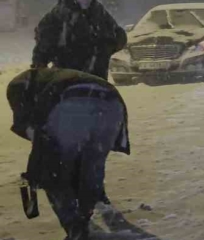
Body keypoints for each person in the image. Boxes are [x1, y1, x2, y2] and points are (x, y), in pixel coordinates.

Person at [7, 67, 130, 240]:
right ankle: (86, 216)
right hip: (112, 103)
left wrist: (38, 169)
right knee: (91, 167)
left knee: (53, 174)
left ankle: (76, 229)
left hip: (72, 103)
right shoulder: (51, 78)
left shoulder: (19, 87)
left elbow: (32, 129)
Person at [32, 0, 127, 80]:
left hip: (96, 80)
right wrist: (39, 68)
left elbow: (117, 36)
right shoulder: (59, 16)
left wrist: (105, 48)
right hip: (65, 79)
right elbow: (43, 46)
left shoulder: (98, 13)